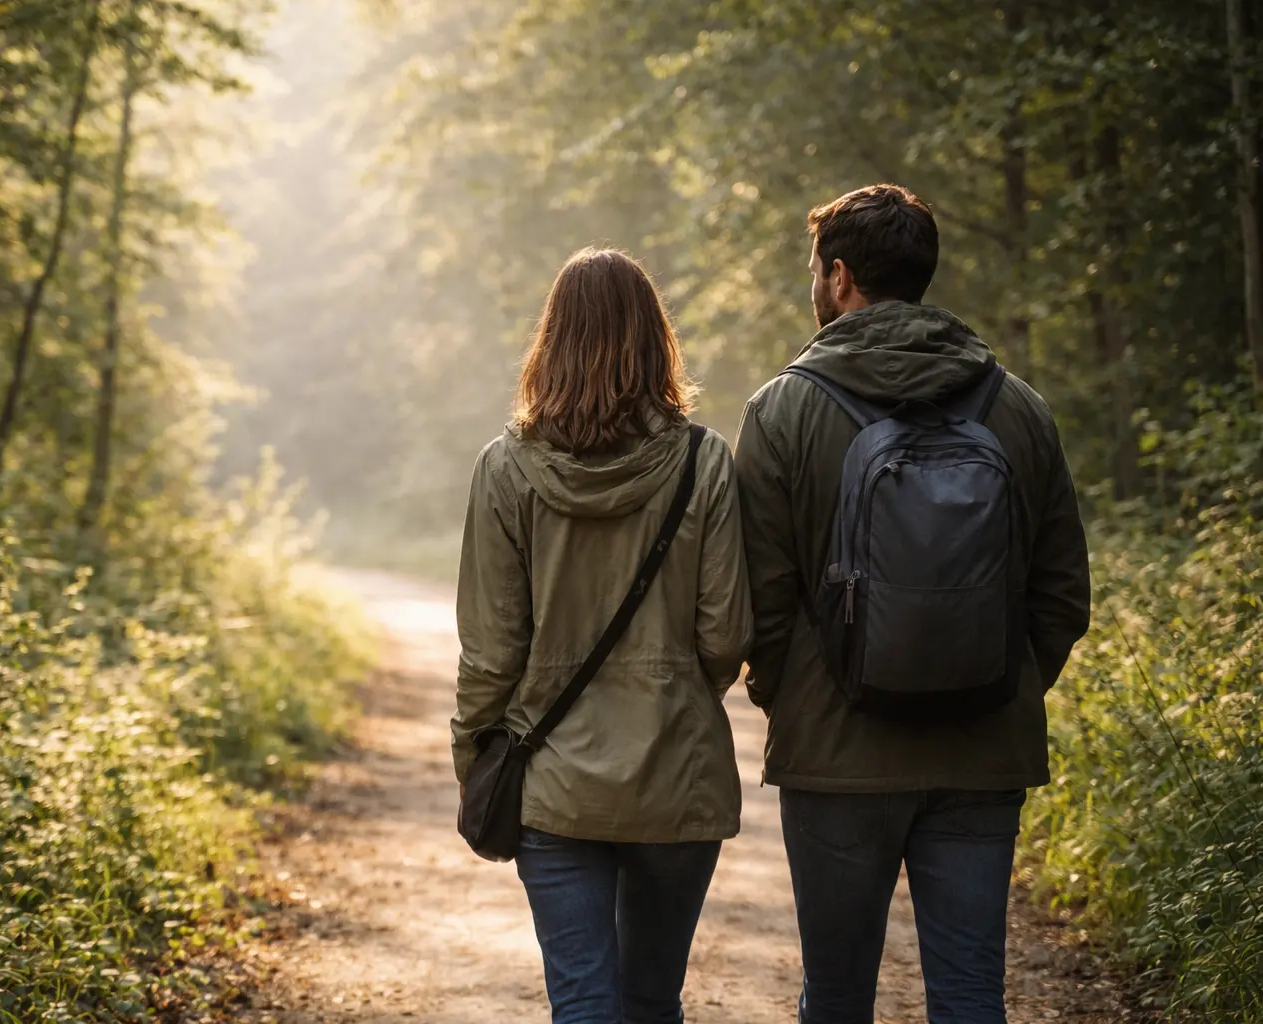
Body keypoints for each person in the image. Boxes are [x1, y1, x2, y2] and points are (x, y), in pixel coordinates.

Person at [732, 184, 1092, 1024]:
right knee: (969, 996)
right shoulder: (1019, 408)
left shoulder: (781, 410)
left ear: (841, 277)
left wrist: (789, 694)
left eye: (815, 270)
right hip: (981, 750)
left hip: (835, 753)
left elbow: (760, 596)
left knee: (837, 996)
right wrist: (1000, 681)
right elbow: (1062, 593)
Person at [452, 248, 753, 1024]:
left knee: (584, 1003)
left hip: (554, 784)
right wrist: (675, 694)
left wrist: (474, 757)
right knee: (652, 1001)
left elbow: (490, 651)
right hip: (676, 776)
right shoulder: (705, 461)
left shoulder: (506, 469)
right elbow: (725, 633)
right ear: (657, 342)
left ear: (550, 343)